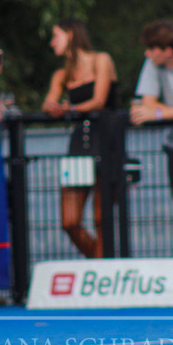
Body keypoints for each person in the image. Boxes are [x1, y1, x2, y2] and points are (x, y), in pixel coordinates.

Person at [42, 18, 119, 259]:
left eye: (56, 36)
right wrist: (53, 107)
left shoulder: (101, 60)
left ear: (70, 35)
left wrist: (70, 109)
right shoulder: (61, 73)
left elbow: (99, 100)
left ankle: (101, 271)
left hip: (106, 140)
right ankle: (98, 264)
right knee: (70, 220)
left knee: (101, 218)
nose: (52, 42)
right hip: (79, 145)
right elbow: (48, 103)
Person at [129, 19, 173, 222]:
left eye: (152, 48)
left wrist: (159, 113)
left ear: (168, 50)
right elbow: (146, 103)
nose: (147, 53)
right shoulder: (153, 64)